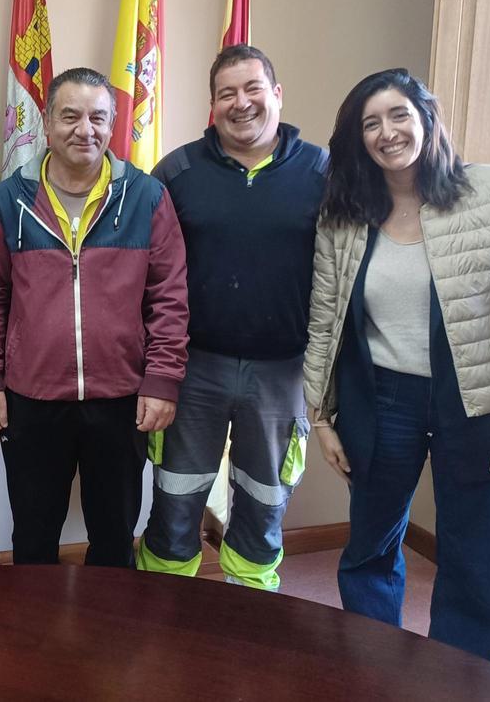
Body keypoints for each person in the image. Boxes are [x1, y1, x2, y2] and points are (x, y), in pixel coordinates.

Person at [303, 68, 490, 661]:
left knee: (473, 553)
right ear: (357, 137)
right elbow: (324, 317)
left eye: (399, 115)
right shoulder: (343, 213)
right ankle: (372, 668)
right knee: (370, 544)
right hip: (381, 398)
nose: (387, 132)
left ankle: (460, 678)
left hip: (479, 399)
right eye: (371, 123)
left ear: (426, 119)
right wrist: (319, 416)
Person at [0, 66, 189, 566]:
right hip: (32, 397)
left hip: (121, 399)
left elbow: (169, 298)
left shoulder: (147, 198)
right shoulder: (8, 201)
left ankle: (108, 641)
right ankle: (35, 638)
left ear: (112, 125)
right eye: (69, 116)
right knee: (33, 532)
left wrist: (161, 381)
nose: (83, 129)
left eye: (97, 117)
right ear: (46, 124)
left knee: (114, 537)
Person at [137, 45, 327, 590]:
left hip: (282, 372)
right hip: (193, 369)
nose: (241, 103)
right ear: (212, 104)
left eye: (253, 89)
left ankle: (253, 614)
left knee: (265, 503)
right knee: (175, 499)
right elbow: (147, 273)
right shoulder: (176, 171)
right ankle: (162, 611)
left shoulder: (321, 172)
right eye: (226, 93)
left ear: (277, 95)